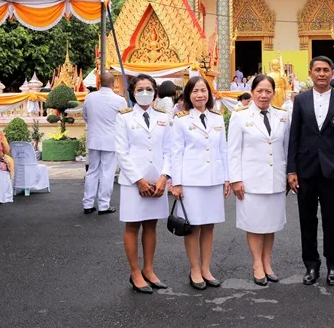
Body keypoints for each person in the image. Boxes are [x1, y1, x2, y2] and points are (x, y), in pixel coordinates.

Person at [287, 56, 334, 286]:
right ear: (310, 73)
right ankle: (311, 265)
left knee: (332, 219)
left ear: (332, 73)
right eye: (317, 70)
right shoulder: (301, 100)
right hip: (305, 169)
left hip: (332, 170)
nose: (322, 74)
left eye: (326, 70)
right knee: (307, 219)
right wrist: (291, 170)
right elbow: (294, 136)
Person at [228, 74, 290, 287]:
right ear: (252, 92)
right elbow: (233, 150)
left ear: (274, 93)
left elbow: (286, 148)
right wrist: (235, 179)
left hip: (276, 178)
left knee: (270, 224)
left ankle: (267, 262)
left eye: (268, 91)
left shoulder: (282, 116)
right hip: (251, 180)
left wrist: (288, 175)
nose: (264, 95)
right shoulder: (240, 116)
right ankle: (257, 264)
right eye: (259, 91)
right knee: (254, 224)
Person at [171, 76, 230, 290]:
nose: (200, 95)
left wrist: (226, 178)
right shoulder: (181, 120)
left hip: (214, 179)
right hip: (191, 181)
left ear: (209, 93)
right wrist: (176, 183)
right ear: (188, 95)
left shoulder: (217, 118)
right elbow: (176, 153)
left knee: (209, 226)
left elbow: (223, 150)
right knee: (193, 227)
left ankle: (206, 268)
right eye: (195, 91)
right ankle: (194, 269)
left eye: (203, 90)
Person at [114, 74, 172, 294]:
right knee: (132, 226)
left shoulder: (163, 117)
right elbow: (121, 152)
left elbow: (169, 150)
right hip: (134, 182)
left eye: (149, 89)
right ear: (133, 92)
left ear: (155, 92)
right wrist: (138, 180)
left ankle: (149, 269)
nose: (145, 92)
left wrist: (164, 177)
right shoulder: (124, 118)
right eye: (140, 89)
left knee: (151, 225)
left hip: (157, 181)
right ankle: (135, 272)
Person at [82, 72, 128, 215]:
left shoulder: (89, 98)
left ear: (99, 83)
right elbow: (124, 121)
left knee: (92, 171)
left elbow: (85, 116)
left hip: (94, 139)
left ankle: (88, 204)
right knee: (107, 172)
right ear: (113, 83)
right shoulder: (119, 100)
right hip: (110, 140)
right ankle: (103, 205)